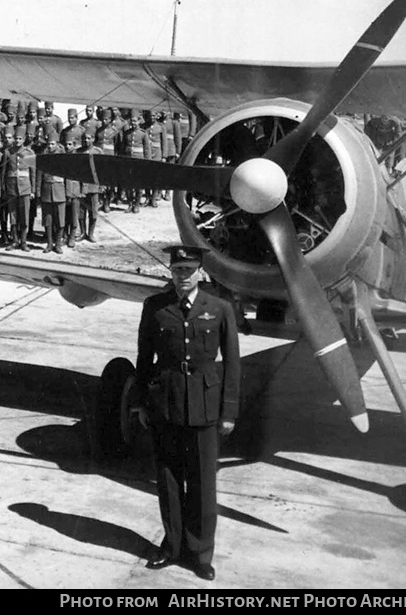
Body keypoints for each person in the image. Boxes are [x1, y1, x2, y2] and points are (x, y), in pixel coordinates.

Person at [135, 245, 240, 582]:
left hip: (205, 407)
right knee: (167, 481)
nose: (182, 276)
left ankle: (200, 554)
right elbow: (143, 359)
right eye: (177, 270)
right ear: (171, 271)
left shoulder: (219, 308)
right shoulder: (155, 307)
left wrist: (229, 411)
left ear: (200, 273)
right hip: (165, 404)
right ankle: (171, 546)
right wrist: (139, 403)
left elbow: (233, 365)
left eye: (188, 270)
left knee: (201, 485)